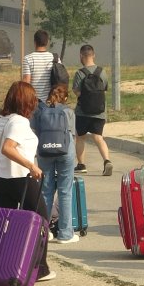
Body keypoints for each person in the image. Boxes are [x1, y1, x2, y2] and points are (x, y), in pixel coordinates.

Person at [0, 81, 55, 282]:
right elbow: (8, 148)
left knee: (3, 226)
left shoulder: (2, 120)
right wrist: (31, 165)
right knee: (41, 221)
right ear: (26, 101)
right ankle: (40, 268)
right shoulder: (19, 122)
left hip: (2, 179)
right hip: (21, 179)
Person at [34, 85, 79, 244]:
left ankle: (45, 232)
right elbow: (72, 135)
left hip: (45, 152)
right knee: (65, 192)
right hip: (65, 152)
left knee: (45, 191)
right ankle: (65, 233)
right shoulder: (68, 112)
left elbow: (36, 132)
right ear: (65, 98)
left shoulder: (39, 112)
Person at [71, 44, 113, 176]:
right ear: (93, 55)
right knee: (98, 137)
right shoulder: (102, 72)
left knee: (80, 138)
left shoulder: (80, 73)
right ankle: (107, 161)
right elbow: (105, 88)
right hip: (99, 111)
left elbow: (77, 91)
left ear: (81, 56)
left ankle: (81, 164)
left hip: (82, 112)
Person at [22, 30, 55, 102]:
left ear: (35, 42)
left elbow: (26, 82)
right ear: (47, 42)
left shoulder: (28, 58)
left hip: (34, 101)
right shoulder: (55, 58)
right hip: (51, 101)